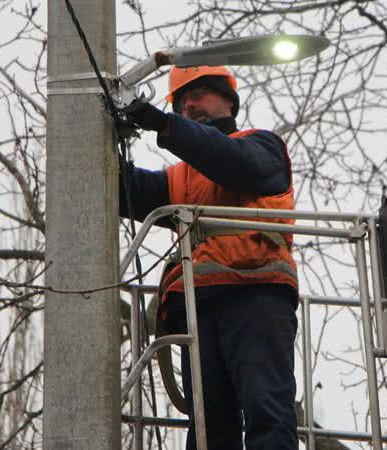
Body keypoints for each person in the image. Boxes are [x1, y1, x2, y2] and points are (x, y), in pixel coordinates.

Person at [119, 65, 299, 450]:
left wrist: (165, 125)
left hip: (256, 293)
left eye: (199, 92)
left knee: (266, 407)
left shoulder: (263, 147)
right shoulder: (180, 177)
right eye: (181, 101)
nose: (189, 104)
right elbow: (126, 190)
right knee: (207, 429)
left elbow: (234, 162)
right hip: (201, 305)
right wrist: (103, 134)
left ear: (227, 99)